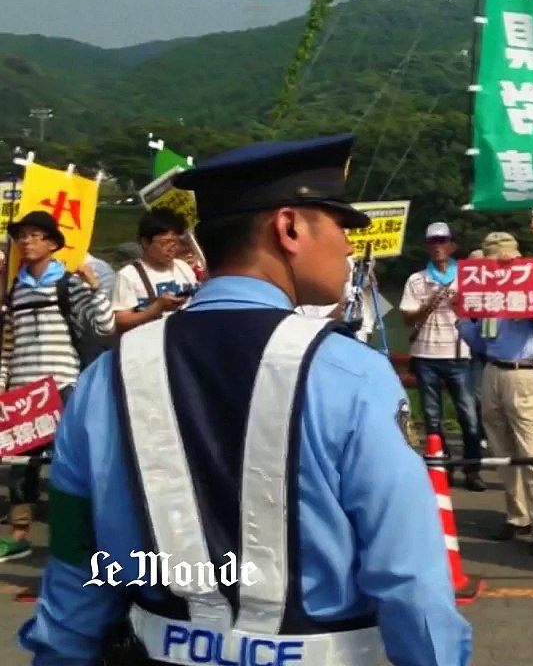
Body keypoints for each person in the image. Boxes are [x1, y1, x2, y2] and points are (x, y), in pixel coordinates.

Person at [17, 134, 472, 665]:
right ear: (290, 227)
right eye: (340, 226)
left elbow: (76, 563)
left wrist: (59, 654)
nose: (349, 246)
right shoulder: (353, 372)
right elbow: (410, 580)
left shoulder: (107, 376)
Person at [0, 211, 115, 562]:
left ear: (52, 244)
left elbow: (105, 325)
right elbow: (7, 344)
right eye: (22, 236)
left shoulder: (68, 282)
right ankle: (19, 537)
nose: (27, 242)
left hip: (62, 385)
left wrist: (95, 287)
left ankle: (78, 538)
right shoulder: (14, 289)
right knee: (21, 466)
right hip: (23, 390)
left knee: (71, 462)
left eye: (35, 236)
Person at [457, 232, 533, 558]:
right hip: (491, 370)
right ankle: (517, 516)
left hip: (523, 372)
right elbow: (478, 340)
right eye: (493, 258)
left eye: (504, 257)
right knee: (502, 451)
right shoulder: (483, 292)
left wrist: (516, 279)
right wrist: (461, 315)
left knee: (531, 452)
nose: (499, 263)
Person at [400, 221, 486, 492]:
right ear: (427, 246)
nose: (438, 246)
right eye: (432, 242)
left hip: (460, 352)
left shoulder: (468, 276)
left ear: (452, 245)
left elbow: (484, 310)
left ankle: (473, 468)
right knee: (432, 416)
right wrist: (427, 305)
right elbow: (406, 317)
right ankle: (442, 465)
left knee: (468, 415)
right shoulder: (416, 279)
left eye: (443, 241)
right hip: (426, 353)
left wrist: (461, 304)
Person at [111, 207, 199, 333]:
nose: (172, 248)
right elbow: (121, 321)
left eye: (175, 243)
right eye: (165, 243)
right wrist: (156, 308)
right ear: (146, 242)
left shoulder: (183, 267)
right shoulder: (128, 276)